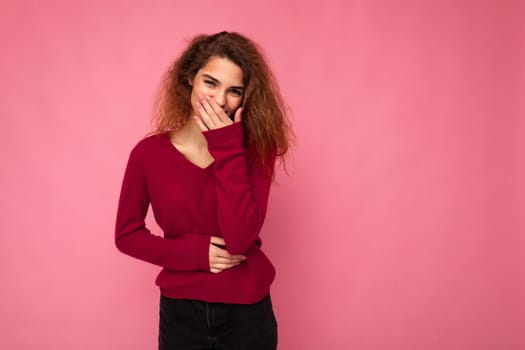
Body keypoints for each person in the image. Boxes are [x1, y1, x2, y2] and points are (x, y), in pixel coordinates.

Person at [114, 31, 293, 349]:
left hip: (248, 313)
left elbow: (239, 239)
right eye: (211, 83)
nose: (220, 100)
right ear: (189, 80)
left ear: (245, 98)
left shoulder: (257, 151)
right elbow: (126, 235)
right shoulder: (147, 154)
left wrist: (226, 147)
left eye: (234, 91)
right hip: (181, 313)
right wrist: (193, 254)